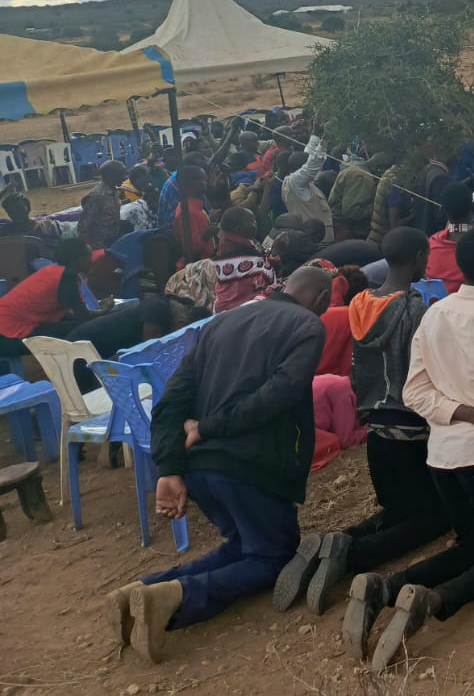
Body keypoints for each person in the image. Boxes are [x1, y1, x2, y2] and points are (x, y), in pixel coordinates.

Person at [108, 267, 331, 663]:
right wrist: (210, 428)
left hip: (200, 471)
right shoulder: (307, 326)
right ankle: (174, 601)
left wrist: (169, 468)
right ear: (322, 299)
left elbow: (170, 403)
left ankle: (139, 592)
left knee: (245, 546)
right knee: (274, 556)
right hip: (253, 468)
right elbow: (279, 394)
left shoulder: (219, 324)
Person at [343, 227, 474, 670]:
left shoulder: (434, 313)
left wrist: (458, 412)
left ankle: (389, 587)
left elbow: (414, 393)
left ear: (459, 266)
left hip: (441, 460)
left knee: (472, 543)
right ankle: (434, 600)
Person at [274, 229, 450, 615]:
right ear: (419, 257)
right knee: (437, 517)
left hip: (377, 432)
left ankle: (335, 541)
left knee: (400, 511)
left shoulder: (360, 304)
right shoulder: (415, 311)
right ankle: (354, 555)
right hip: (411, 431)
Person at [0, 237, 171, 365]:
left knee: (74, 328)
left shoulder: (54, 272)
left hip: (11, 327)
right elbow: (84, 317)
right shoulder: (66, 278)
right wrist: (106, 309)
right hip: (8, 335)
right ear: (78, 259)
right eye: (89, 255)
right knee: (82, 334)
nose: (92, 258)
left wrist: (100, 311)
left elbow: (69, 312)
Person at [78, 161, 128, 250]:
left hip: (112, 240)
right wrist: (86, 249)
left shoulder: (114, 191)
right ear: (110, 176)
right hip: (99, 245)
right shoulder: (97, 196)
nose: (125, 178)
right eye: (121, 174)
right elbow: (83, 225)